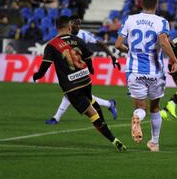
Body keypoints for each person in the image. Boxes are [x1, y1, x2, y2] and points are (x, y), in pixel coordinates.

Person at [33, 15, 126, 151]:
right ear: (69, 27)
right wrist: (91, 69)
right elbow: (88, 58)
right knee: (90, 99)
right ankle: (104, 116)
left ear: (56, 27)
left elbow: (45, 66)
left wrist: (37, 75)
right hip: (86, 80)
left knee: (92, 114)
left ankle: (113, 139)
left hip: (71, 86)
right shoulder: (78, 40)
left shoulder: (51, 45)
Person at [115, 0, 177, 152]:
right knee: (155, 107)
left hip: (134, 71)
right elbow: (164, 42)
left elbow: (118, 44)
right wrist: (174, 59)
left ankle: (137, 117)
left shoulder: (130, 19)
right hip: (155, 72)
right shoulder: (161, 21)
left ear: (141, 3)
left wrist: (128, 50)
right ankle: (154, 143)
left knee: (141, 108)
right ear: (156, 4)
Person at [45, 15, 120, 125]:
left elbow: (100, 44)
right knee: (78, 95)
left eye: (80, 23)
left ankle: (56, 118)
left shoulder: (84, 34)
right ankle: (109, 104)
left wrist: (112, 56)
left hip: (80, 68)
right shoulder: (63, 35)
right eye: (76, 23)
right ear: (70, 24)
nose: (79, 26)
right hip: (68, 68)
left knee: (71, 93)